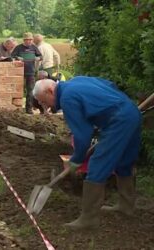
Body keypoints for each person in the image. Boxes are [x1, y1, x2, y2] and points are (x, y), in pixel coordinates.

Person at [33, 77, 141, 230]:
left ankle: (88, 219)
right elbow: (110, 84)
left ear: (50, 91)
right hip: (131, 112)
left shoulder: (67, 98)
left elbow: (83, 135)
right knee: (124, 161)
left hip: (118, 121)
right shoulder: (76, 81)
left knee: (97, 165)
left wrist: (76, 160)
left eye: (43, 101)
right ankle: (126, 206)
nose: (44, 106)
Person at [11, 32, 43, 114]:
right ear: (24, 40)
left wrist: (37, 58)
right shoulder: (18, 48)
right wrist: (18, 58)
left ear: (32, 40)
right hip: (19, 73)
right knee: (18, 90)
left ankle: (28, 109)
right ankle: (15, 108)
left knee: (30, 91)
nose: (28, 41)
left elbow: (41, 56)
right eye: (27, 40)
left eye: (30, 40)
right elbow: (11, 57)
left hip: (31, 72)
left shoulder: (34, 47)